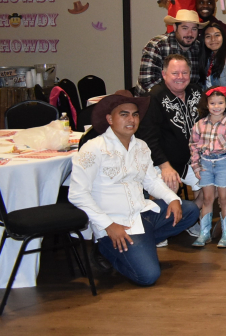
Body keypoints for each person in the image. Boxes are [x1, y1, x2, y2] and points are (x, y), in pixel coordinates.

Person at [69, 92, 199, 286]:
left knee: (189, 210)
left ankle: (139, 244)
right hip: (115, 222)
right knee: (148, 276)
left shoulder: (141, 146)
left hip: (142, 213)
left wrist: (172, 198)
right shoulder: (93, 148)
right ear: (109, 119)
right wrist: (108, 225)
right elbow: (77, 194)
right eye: (124, 114)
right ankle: (105, 248)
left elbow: (151, 180)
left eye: (135, 114)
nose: (131, 119)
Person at [137, 54, 202, 202]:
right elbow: (148, 138)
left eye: (184, 73)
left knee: (213, 184)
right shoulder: (153, 97)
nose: (180, 77)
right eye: (175, 73)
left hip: (194, 159)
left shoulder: (196, 92)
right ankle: (167, 223)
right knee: (170, 186)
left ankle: (194, 221)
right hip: (163, 161)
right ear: (164, 75)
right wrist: (164, 166)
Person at [187, 87, 226, 248]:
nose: (216, 106)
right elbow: (193, 145)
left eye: (220, 103)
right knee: (207, 198)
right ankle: (204, 233)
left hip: (224, 163)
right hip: (205, 164)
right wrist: (196, 166)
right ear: (207, 104)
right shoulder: (200, 125)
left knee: (224, 198)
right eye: (212, 103)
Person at [138, 9, 206, 92]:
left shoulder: (199, 48)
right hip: (153, 100)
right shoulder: (157, 45)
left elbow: (200, 83)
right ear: (175, 27)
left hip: (187, 100)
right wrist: (176, 100)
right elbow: (147, 82)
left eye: (194, 29)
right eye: (185, 28)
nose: (190, 33)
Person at [201, 22, 226, 90]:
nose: (213, 39)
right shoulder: (208, 58)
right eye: (208, 36)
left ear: (223, 37)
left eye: (217, 35)